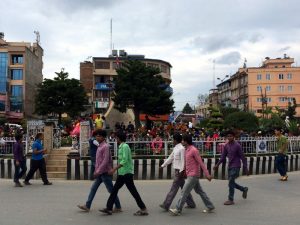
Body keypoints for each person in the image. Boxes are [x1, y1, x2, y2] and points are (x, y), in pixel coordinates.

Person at [99, 131, 148, 216]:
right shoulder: (121, 147)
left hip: (127, 173)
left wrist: (114, 169)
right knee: (115, 190)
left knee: (132, 191)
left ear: (119, 138)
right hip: (122, 173)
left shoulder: (125, 146)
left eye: (116, 138)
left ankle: (143, 208)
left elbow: (124, 160)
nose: (116, 139)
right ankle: (109, 208)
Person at [169, 134, 214, 216]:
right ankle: (210, 206)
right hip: (190, 174)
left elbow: (201, 163)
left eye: (183, 140)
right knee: (200, 191)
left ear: (186, 141)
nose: (181, 141)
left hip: (193, 175)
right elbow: (187, 163)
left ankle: (178, 209)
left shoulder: (194, 150)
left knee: (184, 191)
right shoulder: (186, 150)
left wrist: (207, 174)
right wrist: (184, 172)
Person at [77, 129, 122, 212]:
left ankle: (118, 206)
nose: (97, 137)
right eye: (96, 136)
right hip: (100, 172)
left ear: (103, 137)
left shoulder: (105, 146)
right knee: (93, 188)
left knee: (111, 190)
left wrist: (98, 171)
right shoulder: (99, 146)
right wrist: (96, 170)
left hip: (105, 172)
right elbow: (98, 160)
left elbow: (105, 161)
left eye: (99, 136)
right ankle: (87, 205)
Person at [160, 133, 196, 210]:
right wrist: (163, 165)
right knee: (184, 189)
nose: (172, 141)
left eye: (173, 139)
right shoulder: (176, 148)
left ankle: (166, 204)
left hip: (179, 171)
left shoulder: (181, 149)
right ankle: (191, 203)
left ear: (175, 140)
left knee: (173, 189)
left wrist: (182, 171)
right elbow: (171, 158)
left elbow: (183, 161)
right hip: (177, 170)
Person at [213, 130, 249, 205]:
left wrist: (245, 167)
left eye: (231, 136)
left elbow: (242, 157)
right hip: (230, 165)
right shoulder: (226, 146)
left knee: (231, 181)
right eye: (228, 136)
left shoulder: (237, 146)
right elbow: (223, 157)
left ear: (234, 137)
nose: (229, 137)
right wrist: (217, 165)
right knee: (231, 183)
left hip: (236, 166)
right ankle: (244, 189)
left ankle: (230, 199)